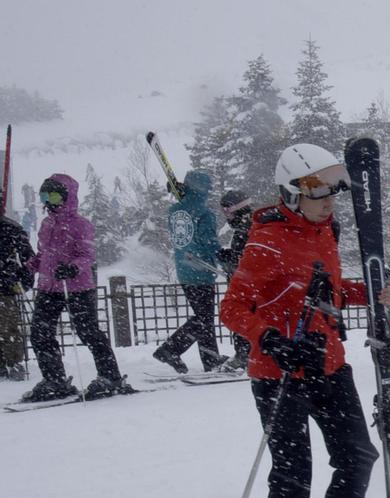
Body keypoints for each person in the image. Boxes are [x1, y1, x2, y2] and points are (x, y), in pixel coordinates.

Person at [220, 143, 384, 498]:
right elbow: (232, 308)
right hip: (280, 375)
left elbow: (325, 291)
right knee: (293, 478)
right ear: (292, 192)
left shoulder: (324, 230)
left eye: (335, 188)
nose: (330, 199)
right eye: (318, 190)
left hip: (329, 365)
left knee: (357, 457)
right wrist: (270, 340)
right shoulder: (266, 240)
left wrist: (370, 288)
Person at [23, 174, 131, 402]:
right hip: (48, 287)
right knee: (40, 333)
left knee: (88, 332)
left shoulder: (81, 224)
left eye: (53, 195)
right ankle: (55, 379)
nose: (49, 201)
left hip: (78, 287)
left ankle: (110, 376)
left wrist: (72, 268)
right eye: (44, 196)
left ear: (66, 196)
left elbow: (87, 255)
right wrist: (29, 267)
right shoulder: (46, 224)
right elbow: (43, 254)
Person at [153, 170, 225, 373]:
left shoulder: (175, 210)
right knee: (204, 318)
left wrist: (182, 196)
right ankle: (169, 349)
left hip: (184, 269)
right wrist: (224, 259)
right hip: (202, 270)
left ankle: (210, 358)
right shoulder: (205, 213)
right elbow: (209, 242)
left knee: (204, 317)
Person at [216, 189, 254, 370]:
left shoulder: (244, 230)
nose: (227, 217)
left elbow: (244, 261)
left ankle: (244, 355)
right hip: (252, 287)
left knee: (240, 316)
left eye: (227, 212)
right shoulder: (252, 224)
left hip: (246, 288)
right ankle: (247, 354)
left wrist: (228, 261)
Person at [0, 206, 35, 380]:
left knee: (8, 328)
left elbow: (28, 258)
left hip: (5, 288)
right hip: (6, 286)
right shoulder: (12, 228)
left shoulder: (11, 228)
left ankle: (12, 362)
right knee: (8, 327)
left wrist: (23, 281)